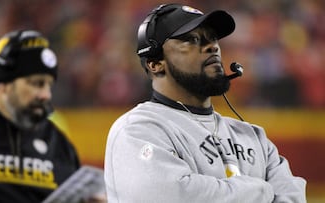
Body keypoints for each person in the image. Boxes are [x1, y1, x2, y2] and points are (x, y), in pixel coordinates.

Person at [104, 3, 306, 203]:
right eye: (191, 39)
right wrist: (263, 190)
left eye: (213, 38)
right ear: (155, 64)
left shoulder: (253, 137)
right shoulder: (137, 130)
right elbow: (172, 197)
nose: (212, 46)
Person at [0, 29, 101, 203]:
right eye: (36, 84)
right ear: (3, 84)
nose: (46, 95)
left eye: (48, 85)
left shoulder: (58, 143)